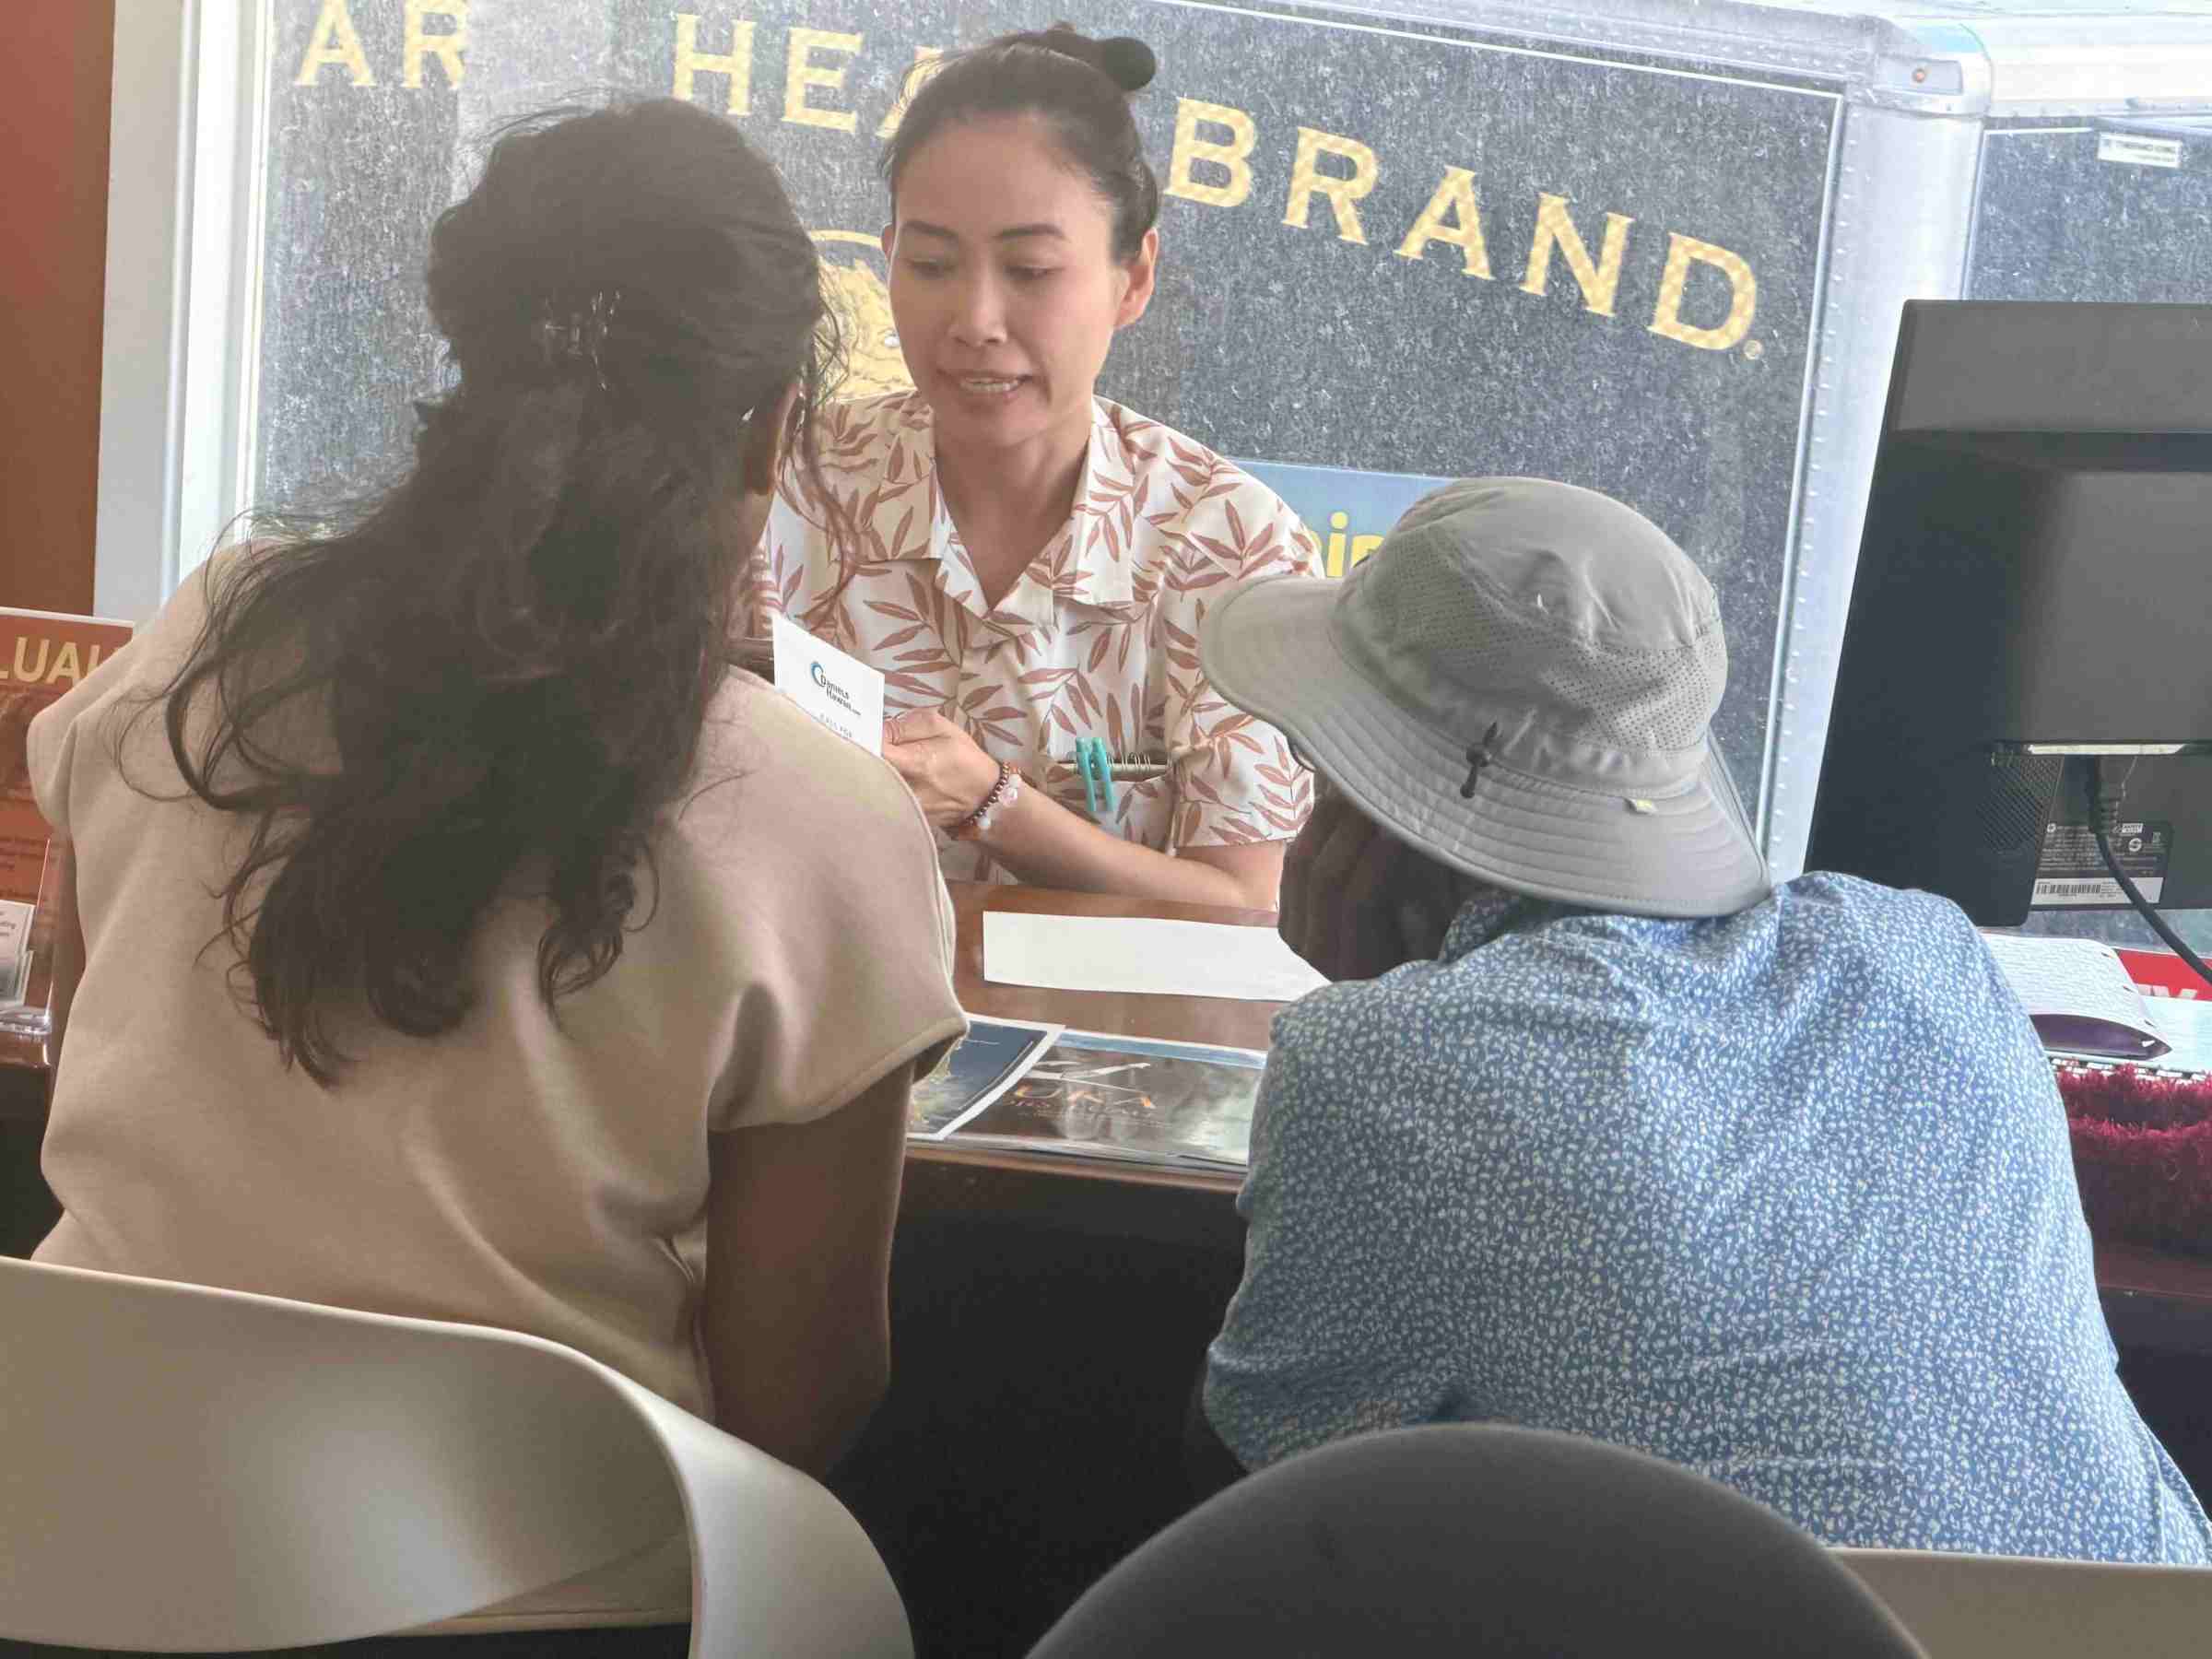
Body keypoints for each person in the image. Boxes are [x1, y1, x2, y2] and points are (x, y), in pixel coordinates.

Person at [23, 100, 967, 1623]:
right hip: (536, 1605)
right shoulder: (817, 816)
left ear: (466, 364)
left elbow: (77, 1044)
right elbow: (797, 1404)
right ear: (770, 426)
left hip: (66, 1549)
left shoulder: (211, 643)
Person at [1191, 477, 2212, 1563]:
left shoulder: (1378, 1066)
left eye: (1321, 751)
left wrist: (1375, 1012)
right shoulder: (1929, 946)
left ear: (1376, 793)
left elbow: (1291, 1465)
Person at [749, 24, 1322, 912]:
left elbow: (1242, 902)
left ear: (1133, 279)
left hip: (1109, 1043)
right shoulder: (789, 488)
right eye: (932, 263)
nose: (975, 318)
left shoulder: (1228, 545)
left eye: (1030, 269)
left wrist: (997, 809)